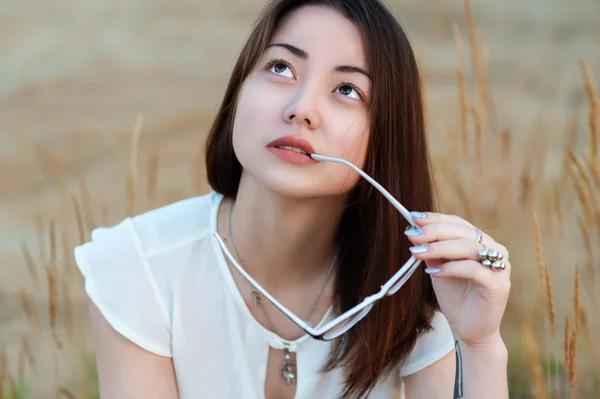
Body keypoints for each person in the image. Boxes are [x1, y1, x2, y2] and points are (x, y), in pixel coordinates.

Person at [74, 0, 511, 398]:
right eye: (281, 67)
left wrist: (480, 345)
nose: (302, 108)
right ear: (237, 92)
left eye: (346, 90)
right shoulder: (141, 267)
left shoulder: (412, 286)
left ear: (385, 140)